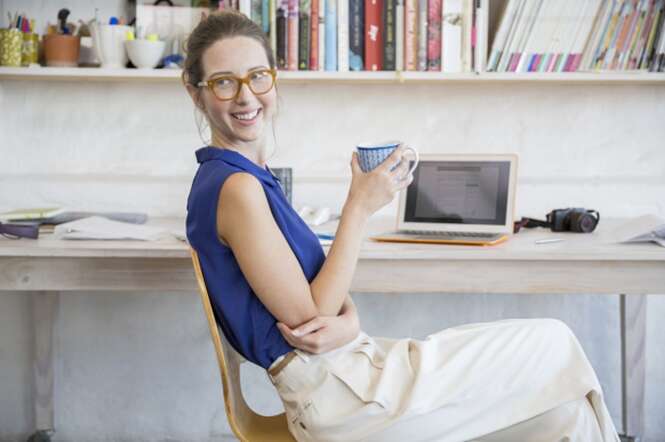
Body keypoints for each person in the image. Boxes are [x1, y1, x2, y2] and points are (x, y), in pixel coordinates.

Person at [183, 10, 620, 442]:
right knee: (555, 340)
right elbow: (310, 319)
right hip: (343, 400)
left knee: (566, 416)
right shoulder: (236, 188)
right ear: (196, 93)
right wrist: (358, 207)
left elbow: (317, 297)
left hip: (355, 373)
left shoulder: (248, 178)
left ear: (273, 80)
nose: (246, 96)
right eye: (224, 82)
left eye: (257, 75)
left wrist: (349, 322)